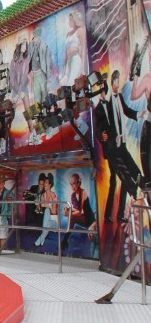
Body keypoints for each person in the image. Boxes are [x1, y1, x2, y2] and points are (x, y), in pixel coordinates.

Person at [94, 70, 143, 223]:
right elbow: (98, 128)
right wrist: (101, 136)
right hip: (111, 149)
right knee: (116, 179)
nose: (116, 85)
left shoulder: (115, 99)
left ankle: (120, 213)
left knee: (120, 177)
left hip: (119, 144)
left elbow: (126, 112)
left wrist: (138, 115)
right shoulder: (99, 108)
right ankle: (114, 212)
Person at [61, 172, 97, 251]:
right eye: (71, 184)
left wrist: (69, 213)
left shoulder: (82, 192)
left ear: (78, 183)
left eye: (74, 183)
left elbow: (80, 211)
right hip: (83, 217)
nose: (72, 186)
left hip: (89, 219)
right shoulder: (73, 195)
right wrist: (68, 208)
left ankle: (64, 241)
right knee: (72, 216)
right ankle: (65, 241)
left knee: (72, 217)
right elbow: (76, 209)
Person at [35, 173, 59, 247]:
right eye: (44, 183)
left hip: (54, 222)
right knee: (46, 211)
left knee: (47, 211)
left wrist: (46, 205)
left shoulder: (54, 195)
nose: (44, 185)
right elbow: (40, 206)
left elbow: (54, 212)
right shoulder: (43, 195)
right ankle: (40, 241)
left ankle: (39, 242)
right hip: (46, 220)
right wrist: (39, 205)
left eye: (46, 183)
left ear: (50, 185)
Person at [0, 176, 14, 252]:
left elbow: (12, 206)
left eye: (2, 182)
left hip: (3, 217)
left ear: (4, 183)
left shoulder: (9, 193)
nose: (1, 183)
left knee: (3, 235)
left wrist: (8, 216)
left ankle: (2, 250)